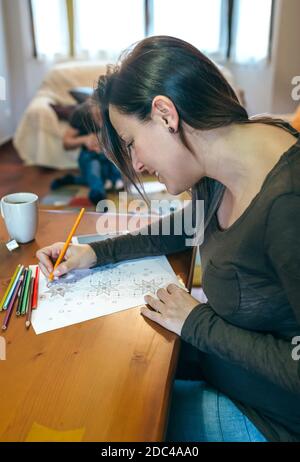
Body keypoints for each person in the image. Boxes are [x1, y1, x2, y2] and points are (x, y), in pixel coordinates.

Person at [36, 36, 300, 442]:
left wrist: (197, 322)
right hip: (227, 369)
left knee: (110, 427)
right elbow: (187, 224)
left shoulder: (287, 204)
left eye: (130, 143)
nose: (137, 163)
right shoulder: (227, 154)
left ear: (164, 114)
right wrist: (93, 252)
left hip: (272, 419)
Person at [51, 98, 124, 205]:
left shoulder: (116, 112)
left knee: (105, 170)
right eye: (99, 113)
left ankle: (72, 180)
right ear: (92, 106)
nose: (102, 117)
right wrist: (85, 140)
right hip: (89, 155)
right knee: (94, 167)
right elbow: (66, 143)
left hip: (106, 156)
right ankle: (98, 194)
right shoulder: (81, 113)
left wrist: (108, 146)